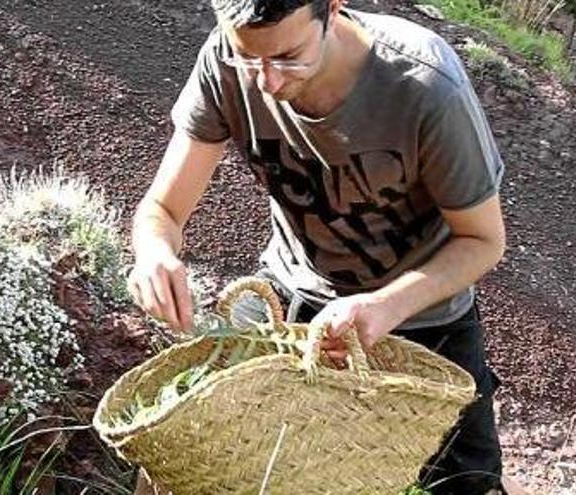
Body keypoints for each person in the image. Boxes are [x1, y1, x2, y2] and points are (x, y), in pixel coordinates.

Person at [127, 0, 519, 493]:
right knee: (189, 455)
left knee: (469, 484)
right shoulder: (225, 63)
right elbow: (161, 211)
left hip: (423, 315)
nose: (267, 81)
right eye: (249, 58)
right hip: (294, 294)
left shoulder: (426, 85)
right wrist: (154, 254)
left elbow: (483, 241)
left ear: (333, 9)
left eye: (289, 57)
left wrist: (383, 305)